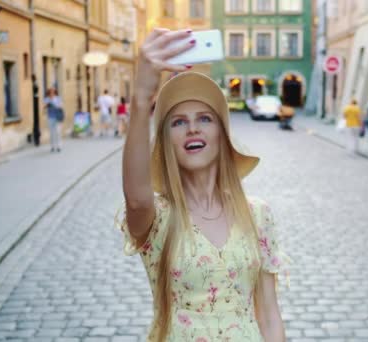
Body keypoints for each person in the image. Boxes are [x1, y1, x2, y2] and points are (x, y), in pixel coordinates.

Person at [117, 28, 287, 342]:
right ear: (166, 140)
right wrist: (141, 101)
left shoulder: (258, 214)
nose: (192, 128)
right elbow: (137, 200)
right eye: (178, 122)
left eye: (205, 119)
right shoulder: (158, 217)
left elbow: (269, 313)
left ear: (222, 134)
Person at [43, 87, 63, 152]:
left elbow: (60, 106)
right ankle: (52, 146)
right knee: (51, 133)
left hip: (57, 117)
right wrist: (48, 104)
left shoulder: (58, 98)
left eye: (53, 92)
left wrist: (54, 104)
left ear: (55, 92)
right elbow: (44, 107)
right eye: (50, 92)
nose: (52, 93)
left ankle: (59, 146)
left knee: (58, 132)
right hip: (50, 117)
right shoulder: (46, 99)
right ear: (49, 93)